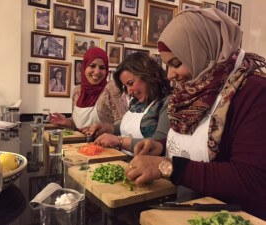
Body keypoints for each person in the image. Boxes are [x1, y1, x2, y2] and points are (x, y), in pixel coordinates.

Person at [126, 8, 266, 219]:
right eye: (167, 66)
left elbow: (251, 179)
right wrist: (161, 146)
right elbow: (196, 137)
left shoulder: (254, 91)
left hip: (230, 217)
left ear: (204, 50)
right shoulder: (194, 89)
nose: (171, 75)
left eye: (176, 64)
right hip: (191, 208)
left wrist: (168, 167)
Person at [82, 52, 172, 153]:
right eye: (126, 86)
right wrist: (106, 128)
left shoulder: (167, 102)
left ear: (148, 76)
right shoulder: (136, 102)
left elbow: (160, 142)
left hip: (146, 164)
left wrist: (120, 141)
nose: (129, 91)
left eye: (131, 83)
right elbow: (125, 127)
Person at [49, 47, 128, 129]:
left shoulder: (111, 88)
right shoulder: (77, 91)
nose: (97, 72)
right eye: (92, 66)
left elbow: (124, 123)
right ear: (84, 67)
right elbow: (77, 124)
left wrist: (106, 128)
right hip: (80, 142)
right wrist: (67, 122)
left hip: (104, 142)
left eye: (102, 68)